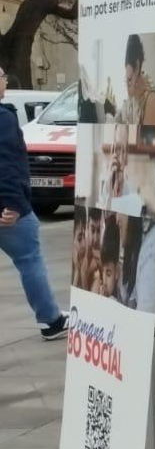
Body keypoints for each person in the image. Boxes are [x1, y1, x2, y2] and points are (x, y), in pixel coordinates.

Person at [0, 68, 67, 340]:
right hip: (7, 210)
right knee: (29, 259)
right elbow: (7, 165)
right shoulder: (3, 119)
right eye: (3, 75)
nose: (5, 80)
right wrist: (14, 205)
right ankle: (51, 320)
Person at [122, 35, 155, 154]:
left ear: (137, 67)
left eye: (129, 80)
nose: (127, 87)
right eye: (126, 81)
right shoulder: (133, 99)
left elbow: (152, 148)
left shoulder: (151, 99)